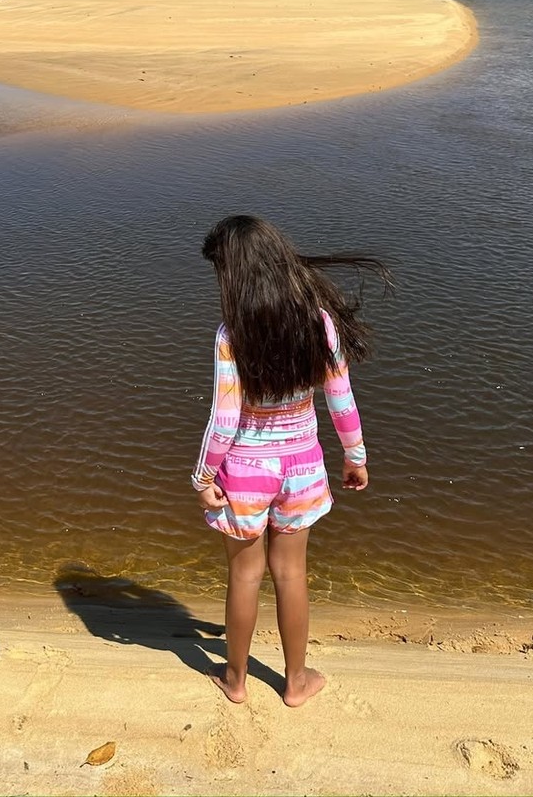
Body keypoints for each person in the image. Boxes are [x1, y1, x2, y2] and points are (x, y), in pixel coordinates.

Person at [192, 215, 387, 707]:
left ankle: (235, 680)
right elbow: (341, 398)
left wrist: (202, 476)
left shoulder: (231, 334)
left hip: (245, 473)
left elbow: (224, 419)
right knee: (291, 574)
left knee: (245, 576)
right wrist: (356, 456)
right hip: (302, 469)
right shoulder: (318, 322)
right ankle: (295, 682)